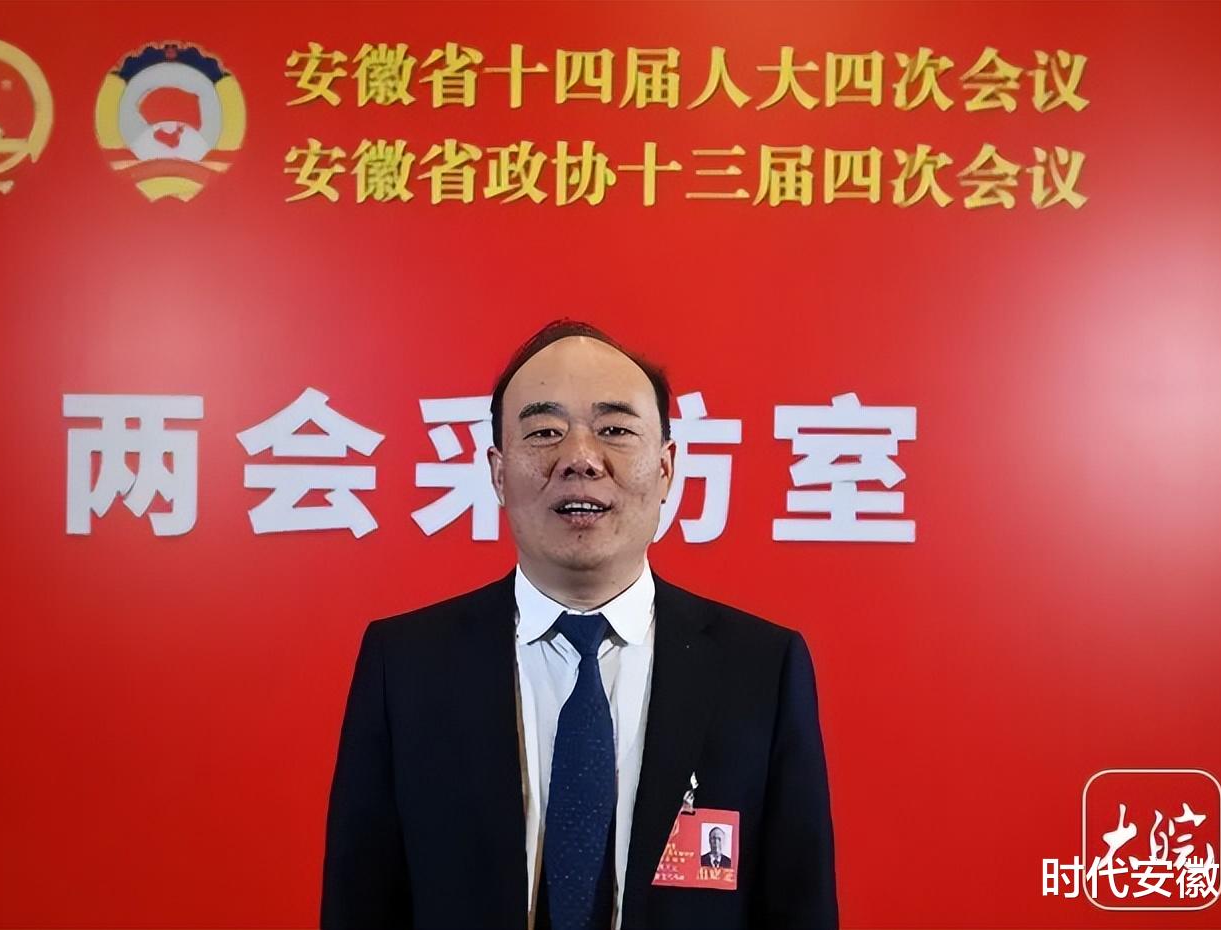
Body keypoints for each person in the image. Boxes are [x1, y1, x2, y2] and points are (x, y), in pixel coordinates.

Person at [322, 320, 837, 930]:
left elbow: (799, 908)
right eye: (544, 432)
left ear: (666, 468)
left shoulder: (762, 670)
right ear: (497, 472)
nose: (580, 459)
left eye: (615, 430)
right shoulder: (405, 667)